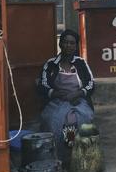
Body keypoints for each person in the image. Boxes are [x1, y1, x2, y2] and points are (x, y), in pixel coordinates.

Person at [40, 30, 95, 160]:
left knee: (79, 121)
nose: (68, 46)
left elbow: (91, 84)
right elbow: (43, 85)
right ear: (60, 44)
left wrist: (78, 93)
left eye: (72, 43)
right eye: (65, 42)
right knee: (56, 122)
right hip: (57, 101)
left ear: (76, 46)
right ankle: (61, 157)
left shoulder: (81, 63)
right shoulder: (51, 64)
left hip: (79, 100)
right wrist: (56, 93)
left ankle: (77, 155)